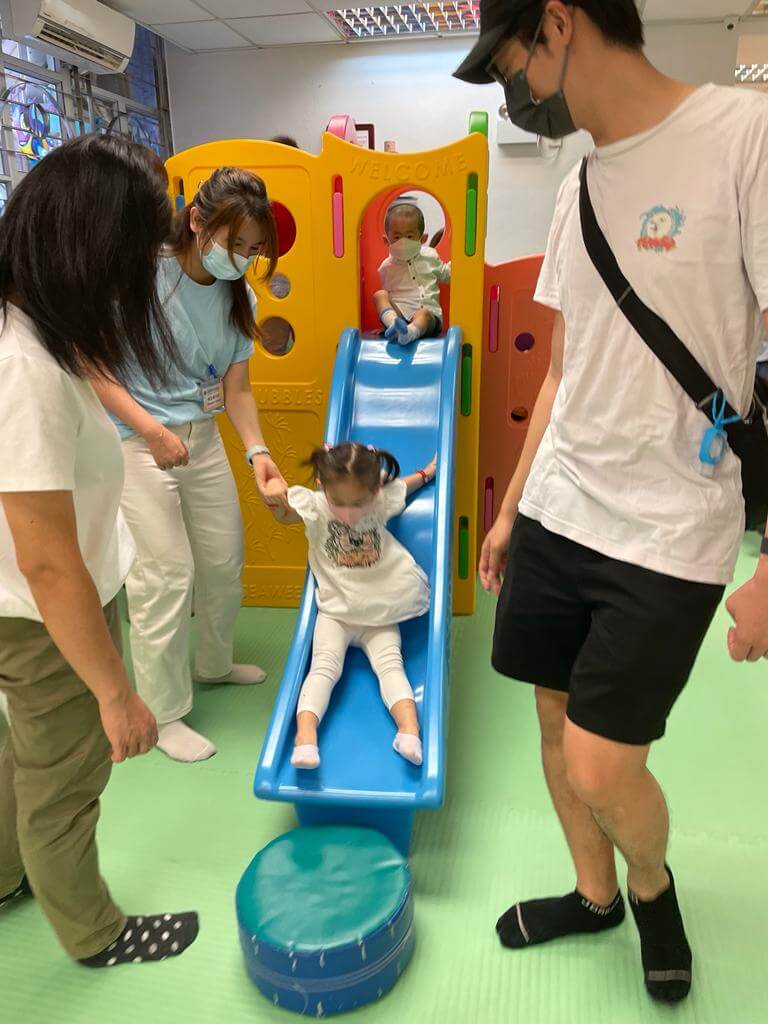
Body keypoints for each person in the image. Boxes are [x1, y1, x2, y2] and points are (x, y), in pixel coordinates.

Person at [455, 0, 768, 1006]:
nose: (514, 95)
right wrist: (512, 509)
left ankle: (650, 885)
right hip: (561, 508)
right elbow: (563, 366)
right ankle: (593, 896)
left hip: (672, 529)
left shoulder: (744, 136)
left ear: (558, 25)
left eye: (510, 66)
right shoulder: (578, 183)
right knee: (554, 720)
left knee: (601, 763)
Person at [0, 134, 198, 966]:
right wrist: (117, 694)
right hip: (40, 615)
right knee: (65, 777)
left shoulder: (34, 328)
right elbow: (47, 562)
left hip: (28, 602)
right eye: (136, 258)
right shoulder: (26, 368)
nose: (138, 280)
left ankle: (7, 876)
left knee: (17, 757)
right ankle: (95, 933)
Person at [91, 169, 288, 764]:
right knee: (166, 575)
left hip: (200, 440)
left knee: (224, 561)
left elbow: (238, 389)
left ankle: (214, 663)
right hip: (136, 442)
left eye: (254, 249)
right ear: (197, 221)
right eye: (236, 243)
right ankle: (164, 710)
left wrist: (259, 453)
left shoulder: (238, 295)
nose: (243, 258)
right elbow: (95, 369)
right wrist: (151, 430)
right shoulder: (139, 275)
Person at [271, 443, 436, 769]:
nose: (349, 514)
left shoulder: (380, 500)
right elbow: (284, 513)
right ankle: (305, 739)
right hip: (335, 613)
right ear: (322, 485)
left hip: (380, 611)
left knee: (391, 666)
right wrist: (273, 497)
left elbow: (405, 486)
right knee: (323, 668)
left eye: (359, 503)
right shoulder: (316, 507)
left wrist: (427, 473)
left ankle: (409, 733)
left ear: (375, 489)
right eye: (339, 503)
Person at [374, 199, 451, 345]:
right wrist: (386, 321)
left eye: (409, 236)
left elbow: (447, 274)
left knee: (423, 314)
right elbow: (389, 299)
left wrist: (463, 261)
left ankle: (409, 333)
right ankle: (393, 325)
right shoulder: (386, 267)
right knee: (380, 295)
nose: (403, 242)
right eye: (397, 237)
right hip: (400, 316)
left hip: (427, 317)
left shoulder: (430, 256)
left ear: (422, 239)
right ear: (386, 240)